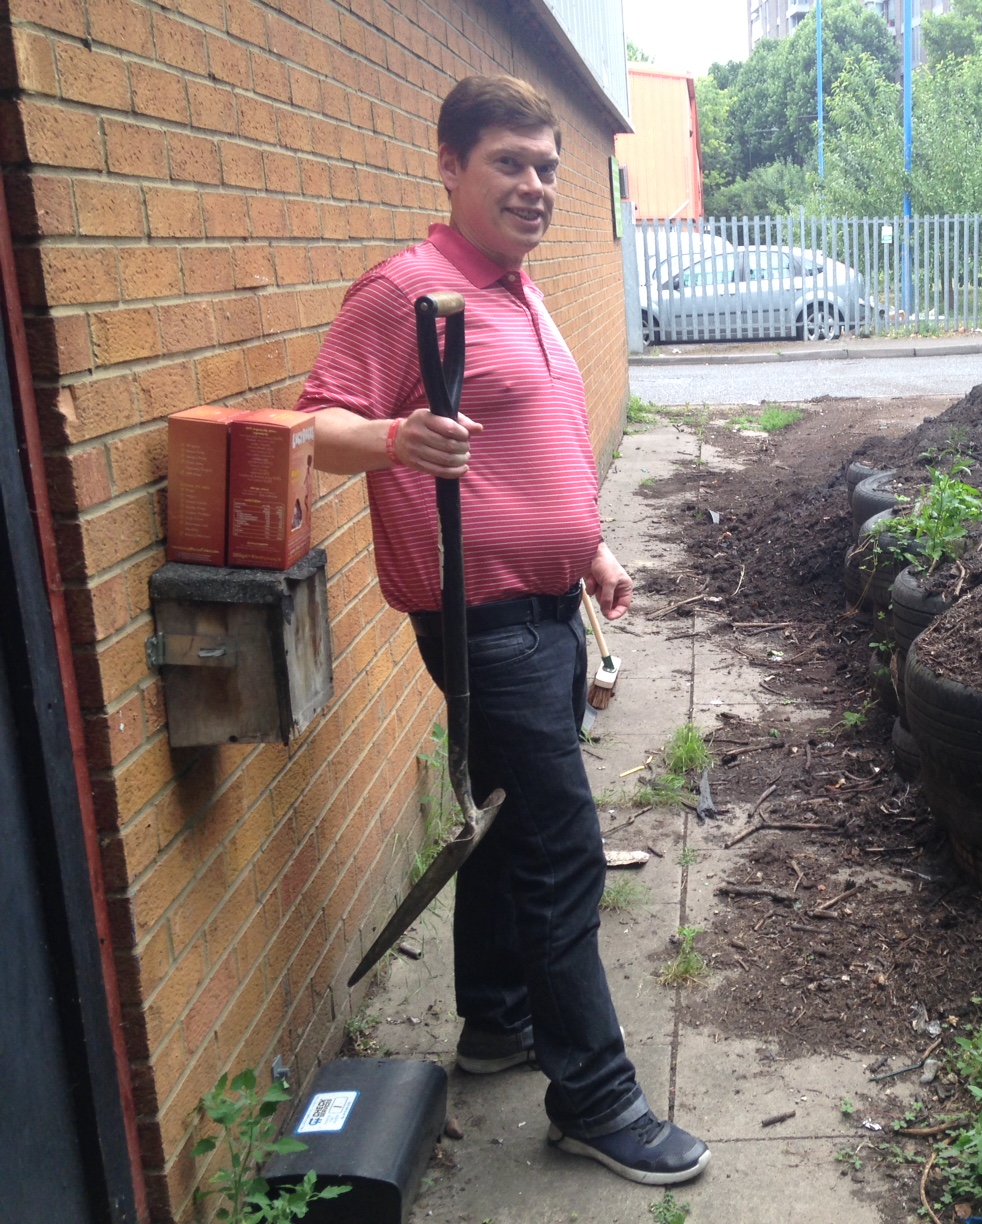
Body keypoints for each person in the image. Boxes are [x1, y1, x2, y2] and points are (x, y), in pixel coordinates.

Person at [297, 74, 709, 1187]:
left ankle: (493, 1022)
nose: (533, 185)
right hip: (485, 626)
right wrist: (392, 442)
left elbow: (541, 455)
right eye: (508, 164)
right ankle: (594, 1100)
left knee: (512, 823)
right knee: (564, 850)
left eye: (546, 168)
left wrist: (592, 553)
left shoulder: (518, 293)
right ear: (447, 164)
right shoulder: (411, 291)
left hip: (549, 608)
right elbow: (311, 428)